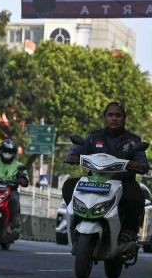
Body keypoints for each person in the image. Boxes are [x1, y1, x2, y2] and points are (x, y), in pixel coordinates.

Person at [63, 101, 149, 242]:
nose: (114, 118)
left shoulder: (134, 141)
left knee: (137, 197)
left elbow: (143, 163)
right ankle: (77, 219)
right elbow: (77, 149)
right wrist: (72, 156)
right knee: (68, 186)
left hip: (123, 183)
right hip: (94, 181)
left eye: (118, 115)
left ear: (124, 118)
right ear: (105, 117)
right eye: (110, 115)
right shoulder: (92, 137)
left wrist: (138, 165)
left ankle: (129, 230)